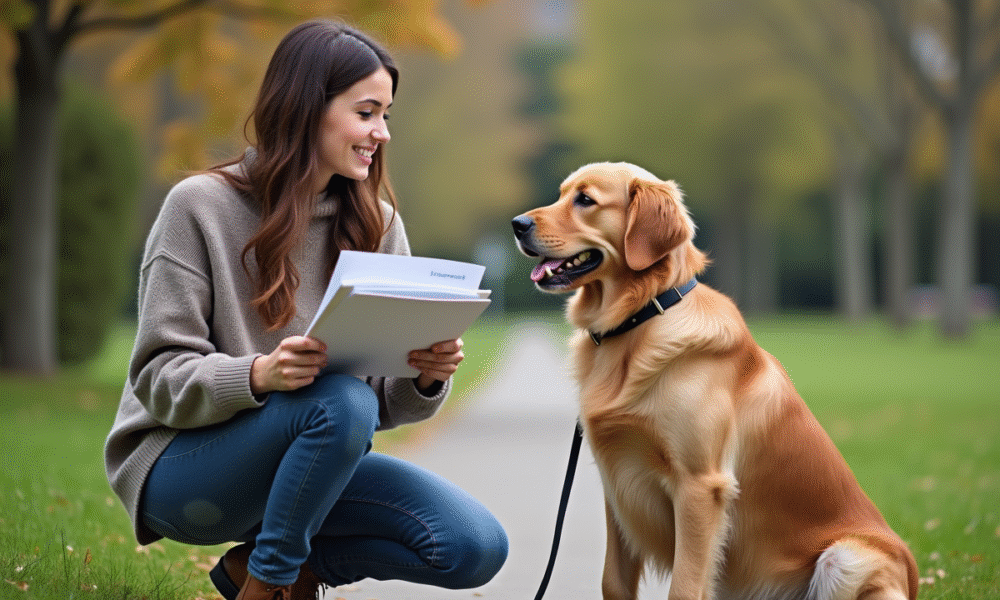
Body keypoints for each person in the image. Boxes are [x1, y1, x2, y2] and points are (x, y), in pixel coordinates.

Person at [104, 20, 508, 600]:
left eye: (386, 116)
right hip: (185, 469)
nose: (382, 133)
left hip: (311, 467)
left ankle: (267, 569)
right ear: (304, 108)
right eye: (366, 112)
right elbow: (157, 379)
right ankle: (270, 587)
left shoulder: (378, 225)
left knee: (472, 545)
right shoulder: (199, 207)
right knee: (339, 402)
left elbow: (378, 405)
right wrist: (258, 375)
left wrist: (424, 374)